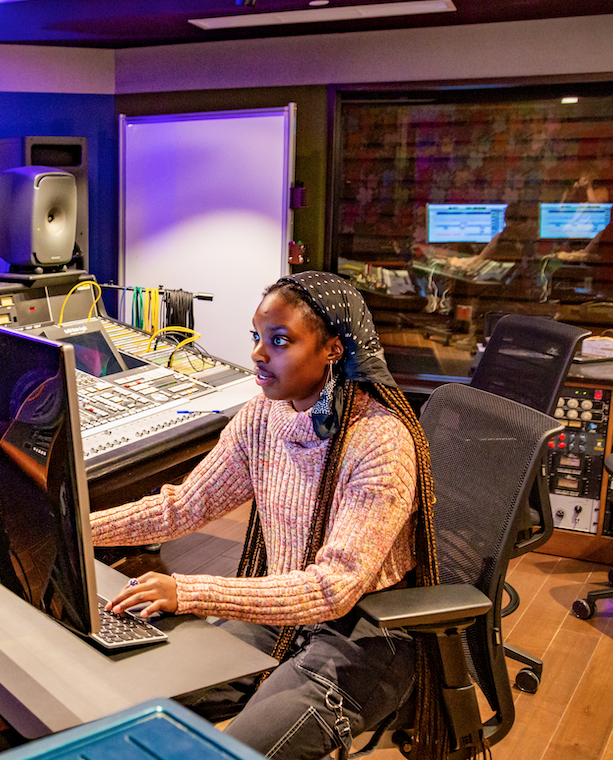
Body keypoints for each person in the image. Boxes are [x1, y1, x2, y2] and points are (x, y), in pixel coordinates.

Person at [90, 271, 448, 760]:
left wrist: (190, 592)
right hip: (283, 614)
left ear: (333, 350)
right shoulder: (263, 416)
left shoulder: (379, 442)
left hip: (363, 633)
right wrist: (77, 530)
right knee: (135, 705)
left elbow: (332, 589)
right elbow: (184, 507)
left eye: (279, 341)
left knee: (230, 753)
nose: (259, 353)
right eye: (257, 337)